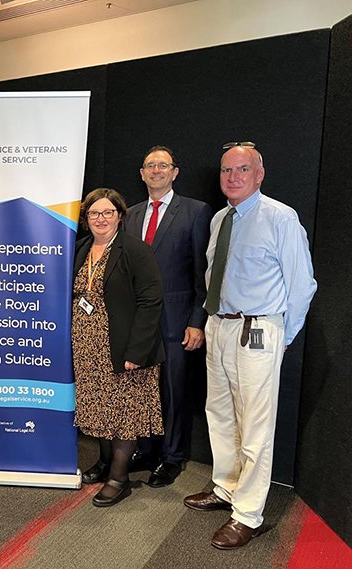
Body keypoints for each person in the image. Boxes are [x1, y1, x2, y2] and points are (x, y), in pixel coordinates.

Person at [183, 143, 317, 550]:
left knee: (256, 426)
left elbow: (302, 286)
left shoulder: (280, 217)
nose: (233, 177)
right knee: (220, 413)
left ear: (259, 174)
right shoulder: (221, 219)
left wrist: (282, 336)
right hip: (219, 326)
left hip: (258, 330)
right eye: (227, 170)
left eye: (243, 169)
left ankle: (248, 515)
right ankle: (225, 488)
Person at [124, 146, 212, 487]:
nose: (156, 170)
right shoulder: (130, 215)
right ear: (142, 173)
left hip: (178, 320)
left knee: (174, 390)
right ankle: (145, 450)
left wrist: (196, 320)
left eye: (163, 165)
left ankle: (172, 457)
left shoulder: (195, 211)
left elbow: (203, 273)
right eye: (150, 165)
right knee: (141, 387)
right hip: (137, 322)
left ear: (174, 172)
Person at [73, 188, 165, 507]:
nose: (101, 219)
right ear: (86, 219)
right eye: (94, 214)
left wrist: (136, 353)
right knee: (99, 408)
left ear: (120, 216)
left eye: (108, 213)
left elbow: (151, 301)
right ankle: (104, 463)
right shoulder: (81, 248)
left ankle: (119, 477)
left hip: (124, 348)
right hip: (88, 348)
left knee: (125, 413)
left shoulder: (135, 251)